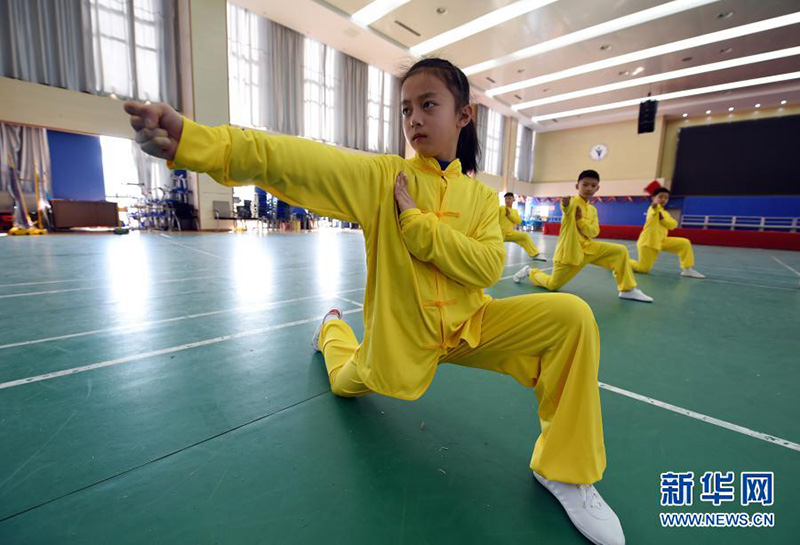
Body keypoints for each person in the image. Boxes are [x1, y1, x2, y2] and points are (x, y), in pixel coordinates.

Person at [125, 57, 624, 545]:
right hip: (399, 340)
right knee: (344, 383)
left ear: (464, 114)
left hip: (473, 327)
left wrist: (418, 226)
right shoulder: (386, 179)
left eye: (428, 104)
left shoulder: (481, 199)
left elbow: (486, 267)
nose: (414, 119)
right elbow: (296, 161)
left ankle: (565, 471)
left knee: (571, 316)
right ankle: (332, 332)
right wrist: (196, 142)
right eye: (406, 109)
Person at [514, 170, 653, 303]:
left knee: (620, 251)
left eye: (593, 186)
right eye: (585, 184)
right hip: (570, 253)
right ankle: (530, 271)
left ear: (597, 188)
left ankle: (627, 289)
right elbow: (566, 209)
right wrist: (565, 204)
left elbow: (594, 232)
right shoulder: (573, 202)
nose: (588, 188)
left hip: (589, 248)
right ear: (577, 186)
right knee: (552, 285)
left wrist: (580, 220)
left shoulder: (592, 210)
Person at [630, 188, 705, 278]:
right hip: (649, 242)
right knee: (643, 269)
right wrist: (655, 206)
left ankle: (687, 269)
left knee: (684, 243)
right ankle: (617, 260)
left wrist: (662, 219)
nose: (663, 199)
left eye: (666, 198)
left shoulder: (665, 213)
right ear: (653, 198)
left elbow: (673, 225)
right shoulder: (652, 208)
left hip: (662, 241)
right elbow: (654, 212)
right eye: (660, 197)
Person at [499, 192, 546, 261]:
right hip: (499, 234)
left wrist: (509, 215)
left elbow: (519, 222)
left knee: (524, 235)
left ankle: (535, 254)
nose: (507, 200)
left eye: (509, 199)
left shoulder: (515, 211)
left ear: (513, 200)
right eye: (506, 199)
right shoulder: (501, 208)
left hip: (510, 233)